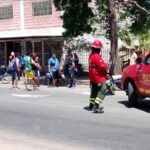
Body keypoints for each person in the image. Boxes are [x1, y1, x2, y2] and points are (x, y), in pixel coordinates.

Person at [88, 40, 109, 113]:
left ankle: (91, 105)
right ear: (98, 49)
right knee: (103, 89)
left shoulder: (91, 56)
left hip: (92, 77)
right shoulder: (96, 56)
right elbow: (101, 66)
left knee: (94, 91)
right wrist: (107, 65)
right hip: (99, 77)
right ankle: (96, 106)